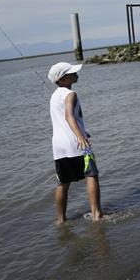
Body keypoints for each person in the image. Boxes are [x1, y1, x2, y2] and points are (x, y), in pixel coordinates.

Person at [48, 62, 103, 224]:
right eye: (72, 72)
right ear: (63, 79)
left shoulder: (54, 96)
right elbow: (69, 116)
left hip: (58, 147)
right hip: (75, 143)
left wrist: (82, 131)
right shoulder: (71, 94)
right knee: (92, 175)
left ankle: (60, 219)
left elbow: (64, 120)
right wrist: (80, 136)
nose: (76, 74)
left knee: (63, 182)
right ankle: (97, 215)